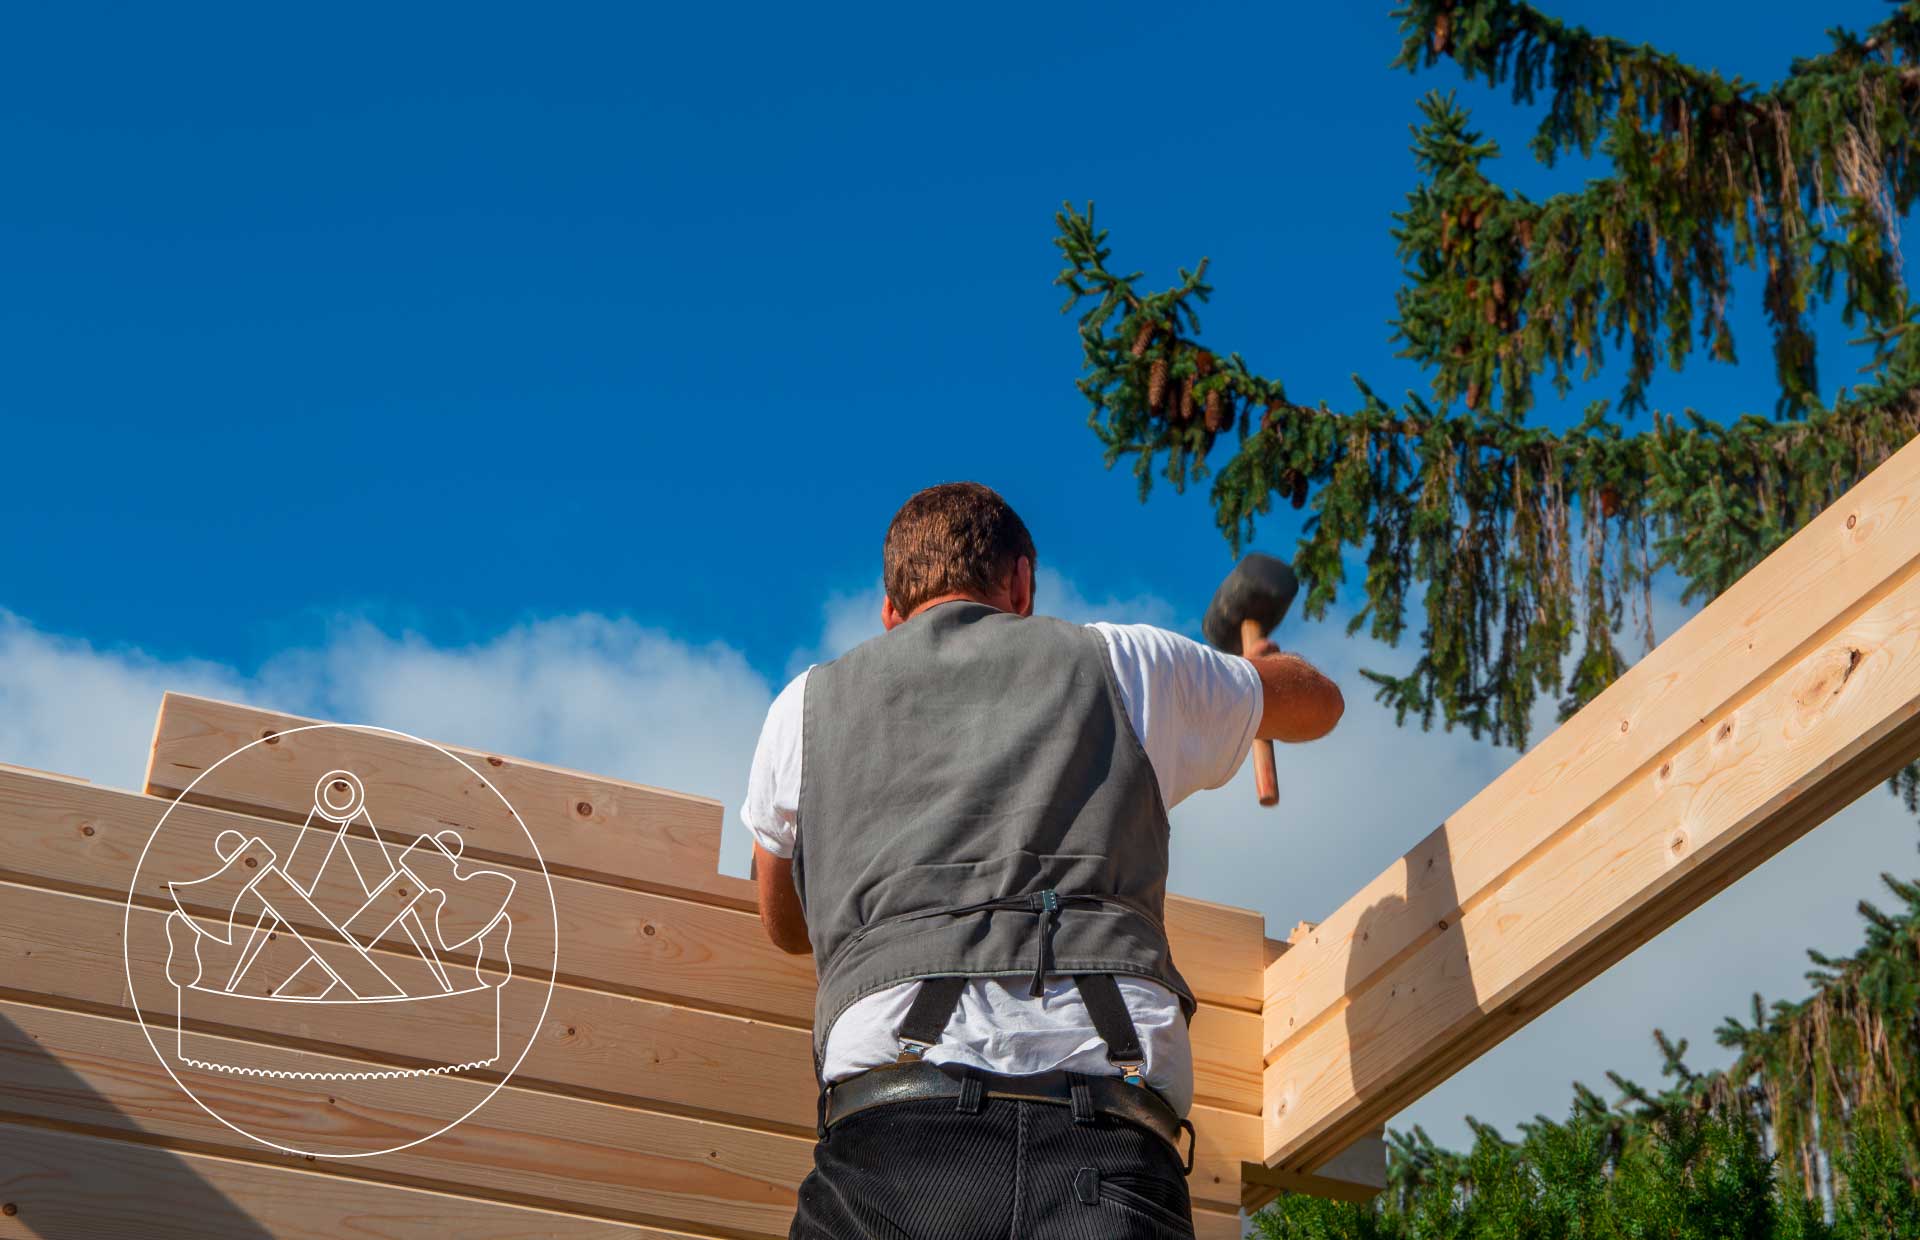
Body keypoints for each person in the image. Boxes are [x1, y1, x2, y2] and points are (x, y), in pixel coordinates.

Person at [741, 481, 1344, 1239]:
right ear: (1022, 583)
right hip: (1106, 1143)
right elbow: (1318, 706)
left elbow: (784, 923)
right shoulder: (1125, 665)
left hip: (891, 1150)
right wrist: (1266, 672)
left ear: (889, 614)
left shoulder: (805, 707)